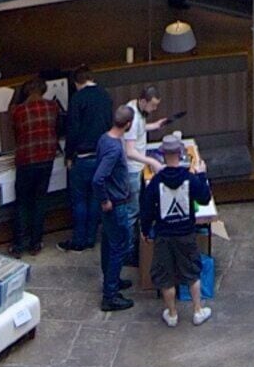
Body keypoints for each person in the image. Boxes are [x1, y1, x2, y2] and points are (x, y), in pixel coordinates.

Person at [144, 138, 220, 325]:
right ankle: (197, 310)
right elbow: (204, 198)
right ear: (181, 154)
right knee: (192, 272)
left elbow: (146, 208)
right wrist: (202, 175)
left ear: (162, 155)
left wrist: (145, 230)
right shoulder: (190, 179)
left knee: (166, 276)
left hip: (164, 235)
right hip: (186, 233)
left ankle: (172, 314)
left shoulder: (155, 182)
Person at [85, 105, 142, 310]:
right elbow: (98, 178)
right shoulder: (115, 148)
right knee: (119, 247)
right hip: (116, 204)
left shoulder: (104, 138)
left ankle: (112, 280)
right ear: (127, 124)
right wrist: (105, 199)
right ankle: (110, 295)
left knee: (109, 244)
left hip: (111, 203)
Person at [1, 76, 63, 253]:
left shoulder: (17, 110)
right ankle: (36, 243)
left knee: (22, 202)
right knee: (40, 200)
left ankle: (18, 244)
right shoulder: (52, 107)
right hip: (47, 158)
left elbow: (16, 132)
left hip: (26, 159)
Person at [59, 70, 116, 252]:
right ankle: (91, 237)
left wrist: (68, 156)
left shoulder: (78, 99)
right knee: (94, 199)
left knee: (79, 200)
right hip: (101, 157)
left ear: (77, 82)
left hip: (82, 158)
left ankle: (79, 240)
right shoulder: (105, 96)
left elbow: (72, 129)